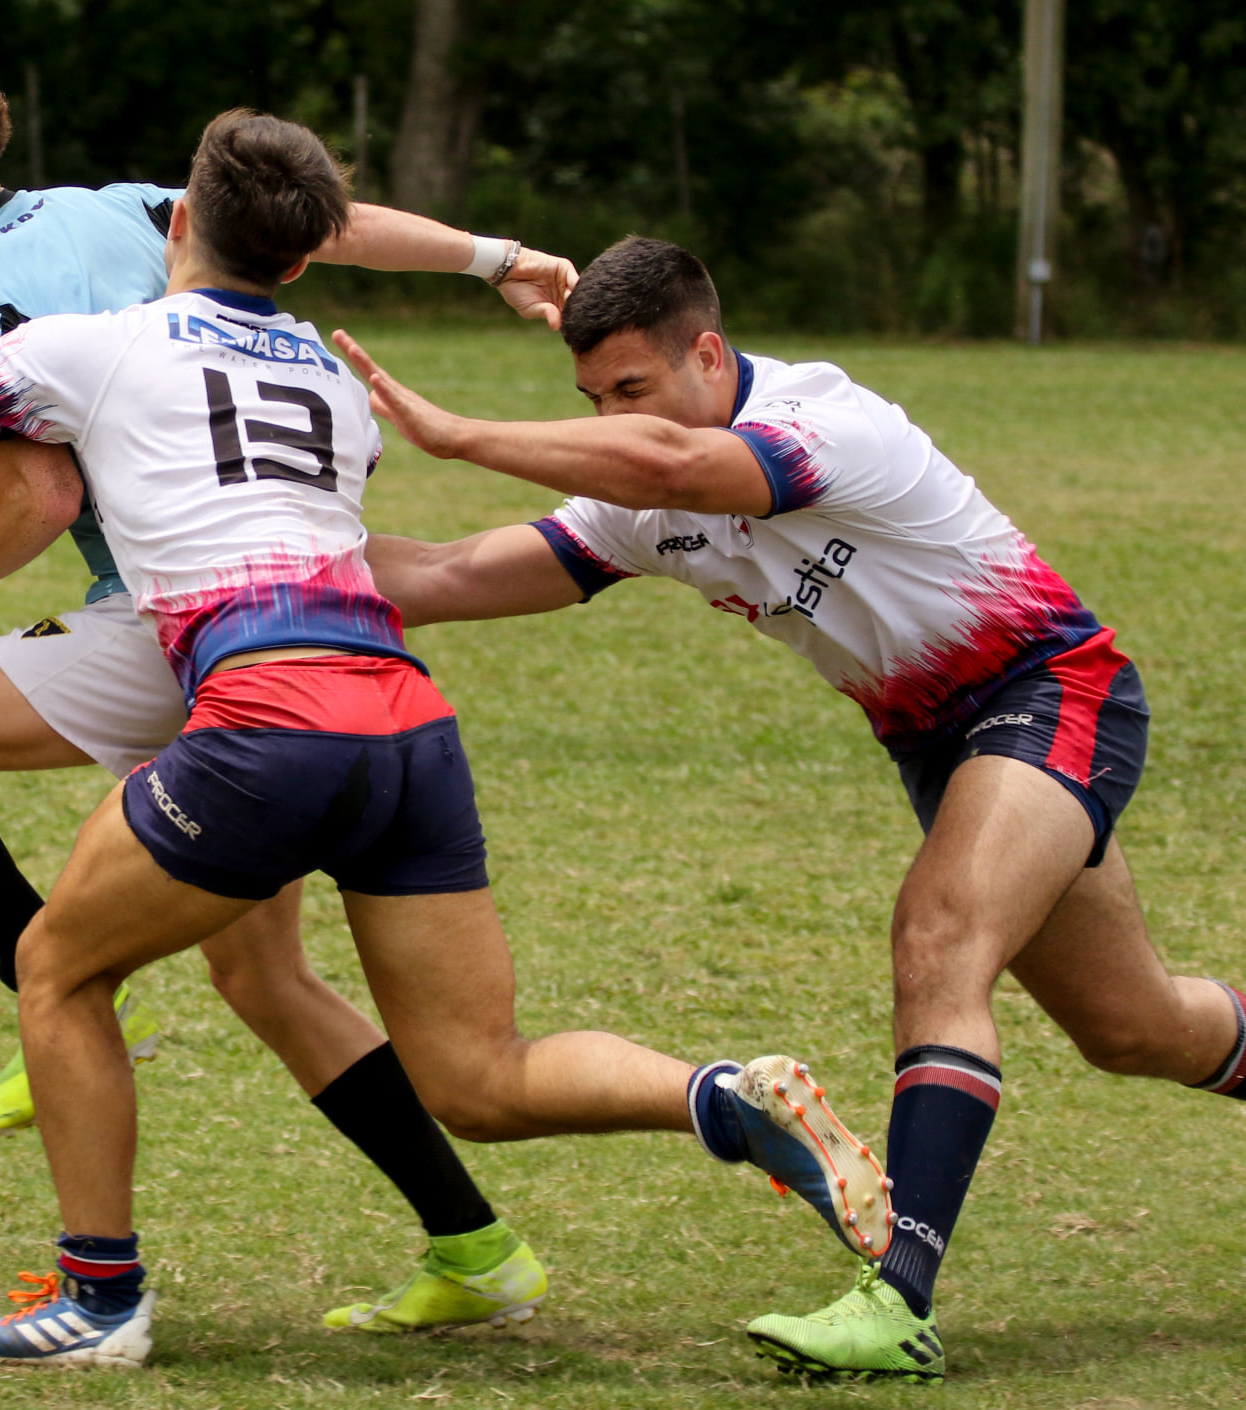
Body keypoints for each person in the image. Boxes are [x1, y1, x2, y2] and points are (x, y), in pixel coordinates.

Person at [0, 111, 889, 1370]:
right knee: (479, 1076)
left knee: (58, 970)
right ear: (297, 259)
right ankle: (714, 1095)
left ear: (180, 223)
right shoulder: (335, 387)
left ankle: (100, 1303)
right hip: (404, 723)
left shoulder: (88, 349)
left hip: (259, 722)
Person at [342, 235, 1246, 1383]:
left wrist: (458, 435)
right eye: (592, 400)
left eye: (631, 389)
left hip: (1046, 689)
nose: (613, 420)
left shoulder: (824, 421)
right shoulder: (647, 503)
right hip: (937, 744)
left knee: (939, 939)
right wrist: (236, 542)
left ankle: (897, 1300)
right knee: (1135, 1027)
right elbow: (446, 575)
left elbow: (671, 464)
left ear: (707, 354)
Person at [0, 45, 590, 1332]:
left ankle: (39, 1001)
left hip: (174, 628)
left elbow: (40, 495)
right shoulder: (117, 207)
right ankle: (475, 1247)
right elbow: (328, 226)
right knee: (265, 979)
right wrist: (496, 259)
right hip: (290, 613)